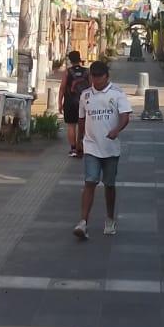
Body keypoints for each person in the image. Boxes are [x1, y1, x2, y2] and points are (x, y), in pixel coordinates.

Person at [74, 61, 132, 240]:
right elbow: (81, 120)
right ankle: (83, 222)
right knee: (90, 182)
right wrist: (79, 141)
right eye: (94, 77)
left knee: (109, 184)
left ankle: (110, 219)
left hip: (110, 148)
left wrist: (116, 130)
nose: (96, 80)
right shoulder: (85, 95)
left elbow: (125, 116)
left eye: (100, 77)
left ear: (107, 76)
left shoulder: (117, 93)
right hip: (91, 146)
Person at [59, 50, 88, 157]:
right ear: (79, 59)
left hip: (70, 102)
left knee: (71, 126)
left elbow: (62, 88)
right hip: (84, 102)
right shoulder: (87, 72)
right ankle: (82, 147)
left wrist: (60, 102)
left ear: (70, 60)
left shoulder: (67, 72)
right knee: (83, 125)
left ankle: (73, 149)